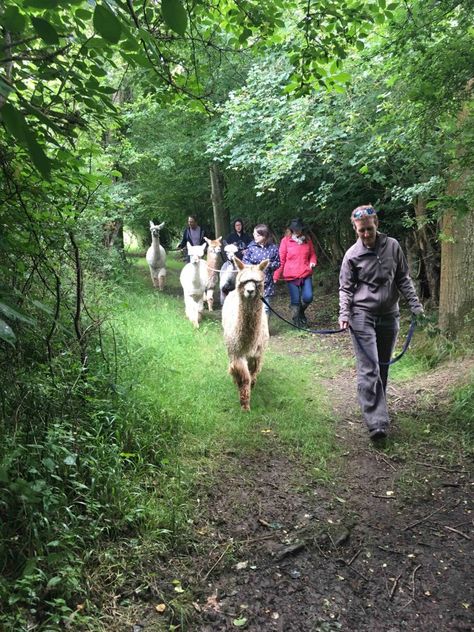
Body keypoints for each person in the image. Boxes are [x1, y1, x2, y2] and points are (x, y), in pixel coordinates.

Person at [338, 205, 424, 442]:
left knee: (382, 366)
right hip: (362, 315)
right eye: (361, 231)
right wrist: (344, 314)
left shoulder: (393, 246)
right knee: (370, 367)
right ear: (355, 229)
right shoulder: (352, 255)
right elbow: (346, 288)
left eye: (369, 229)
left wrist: (415, 305)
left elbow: (403, 278)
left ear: (376, 223)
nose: (366, 234)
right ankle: (376, 423)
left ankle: (378, 409)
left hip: (389, 315)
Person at [273, 218, 317, 327]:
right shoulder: (285, 241)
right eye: (295, 229)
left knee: (308, 297)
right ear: (291, 229)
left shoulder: (307, 239)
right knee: (295, 301)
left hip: (305, 273)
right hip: (291, 276)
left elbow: (312, 254)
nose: (298, 231)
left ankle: (301, 312)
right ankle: (297, 322)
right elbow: (281, 260)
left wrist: (312, 261)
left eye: (299, 229)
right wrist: (276, 275)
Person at [242, 224, 280, 315]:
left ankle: (264, 328)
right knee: (253, 309)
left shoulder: (273, 248)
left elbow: (278, 263)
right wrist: (255, 267)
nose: (255, 236)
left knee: (266, 309)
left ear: (264, 235)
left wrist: (269, 265)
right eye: (254, 234)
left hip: (267, 284)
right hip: (253, 284)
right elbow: (245, 262)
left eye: (258, 235)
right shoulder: (251, 248)